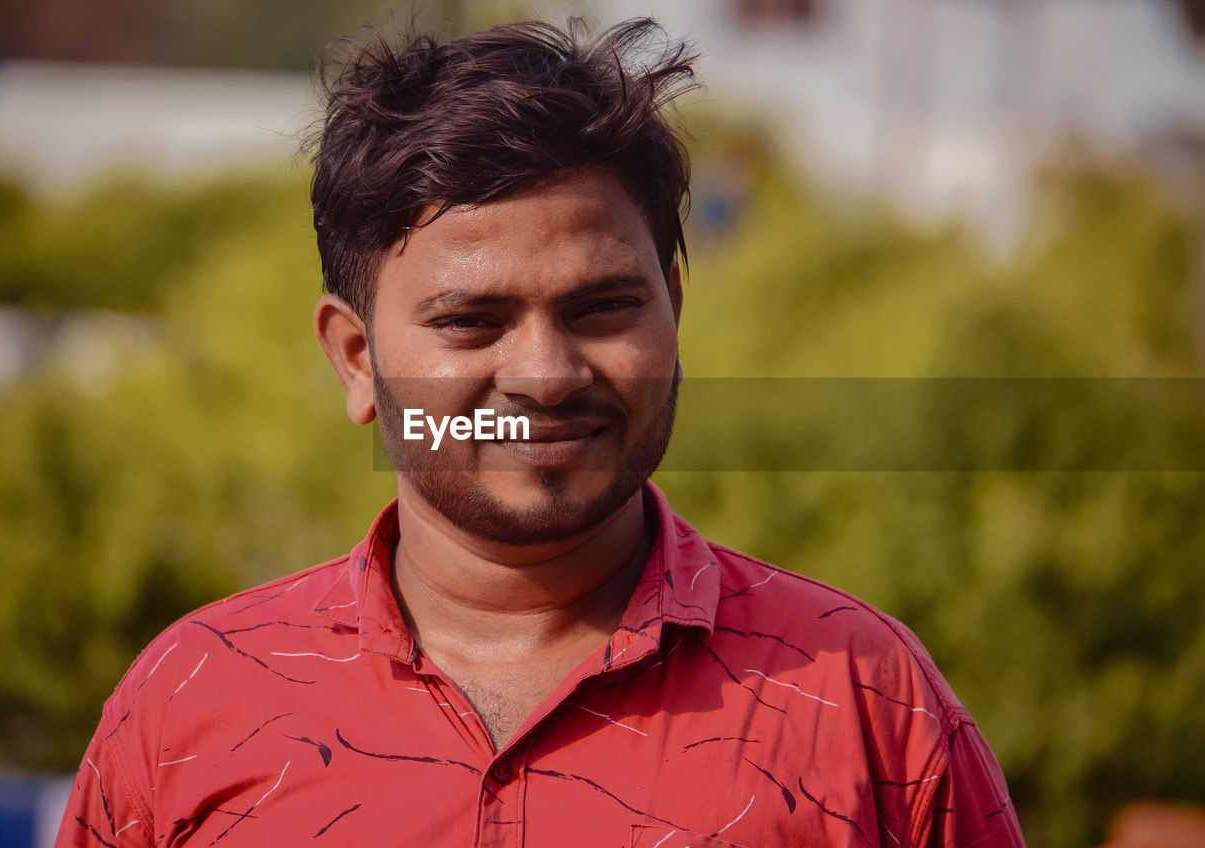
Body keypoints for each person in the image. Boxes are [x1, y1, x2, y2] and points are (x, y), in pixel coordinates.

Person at [57, 18, 1025, 848]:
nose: (545, 375)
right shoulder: (193, 706)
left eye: (603, 308)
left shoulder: (864, 704)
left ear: (673, 313)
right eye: (471, 322)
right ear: (355, 357)